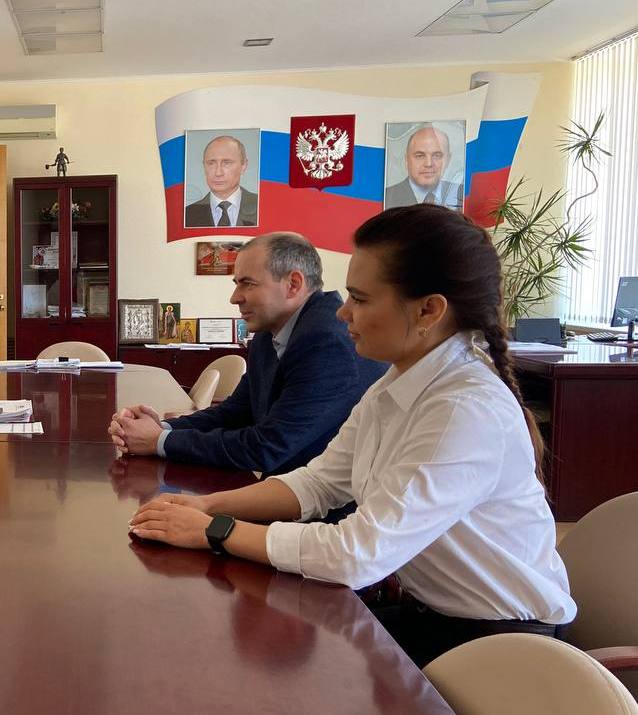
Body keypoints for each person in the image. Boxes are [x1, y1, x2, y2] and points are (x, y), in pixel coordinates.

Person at [128, 204, 576, 667]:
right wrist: (207, 506)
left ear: (428, 310)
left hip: (503, 647)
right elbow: (319, 482)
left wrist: (215, 531)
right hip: (433, 616)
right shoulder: (397, 382)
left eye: (360, 299)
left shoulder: (464, 409)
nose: (343, 312)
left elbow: (357, 554)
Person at [110, 232, 385, 476]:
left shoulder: (326, 341)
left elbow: (267, 447)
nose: (235, 297)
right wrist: (163, 428)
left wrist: (158, 441)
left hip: (324, 510)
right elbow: (237, 412)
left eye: (247, 284)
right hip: (285, 492)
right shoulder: (270, 332)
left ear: (293, 284)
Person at [383, 125, 464, 211]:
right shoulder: (387, 196)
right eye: (420, 156)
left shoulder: (462, 194)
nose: (429, 164)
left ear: (448, 160)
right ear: (406, 160)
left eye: (437, 155)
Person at [185, 135, 259, 228]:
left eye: (227, 163)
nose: (218, 173)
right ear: (204, 166)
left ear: (243, 166)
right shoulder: (187, 214)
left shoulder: (263, 206)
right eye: (211, 163)